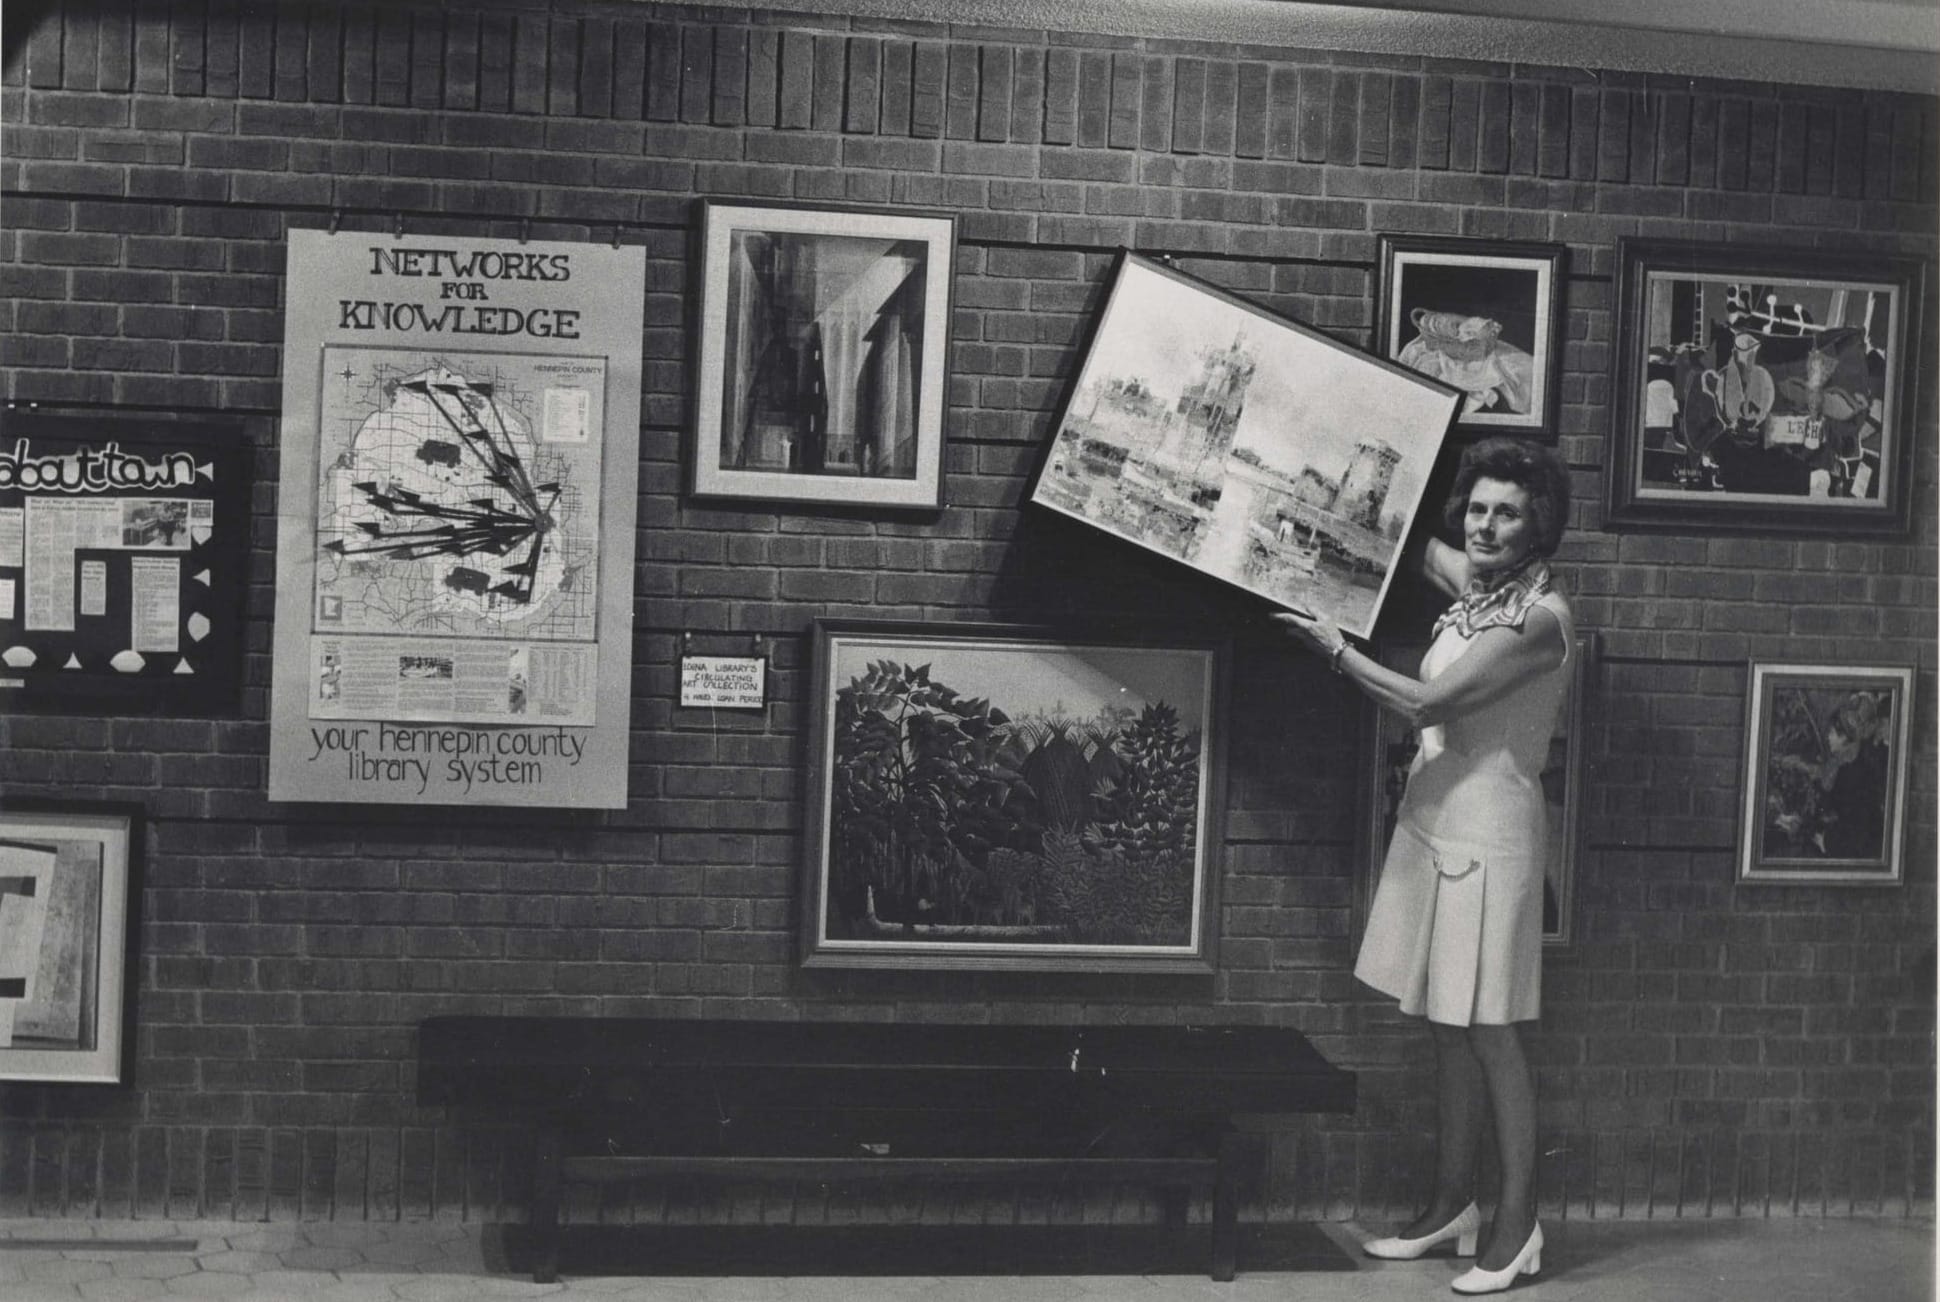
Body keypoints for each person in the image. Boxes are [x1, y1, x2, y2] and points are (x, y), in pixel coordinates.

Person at [1270, 436, 1575, 1296]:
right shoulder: (1480, 585)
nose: (1486, 525)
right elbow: (1405, 543)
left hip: (1493, 837)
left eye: (1507, 513)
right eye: (1477, 508)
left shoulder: (1539, 619)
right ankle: (1451, 1207)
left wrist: (1333, 648)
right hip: (1437, 822)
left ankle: (1517, 1224)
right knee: (1448, 1025)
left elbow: (1424, 702)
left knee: (1491, 1030)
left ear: (1538, 526)